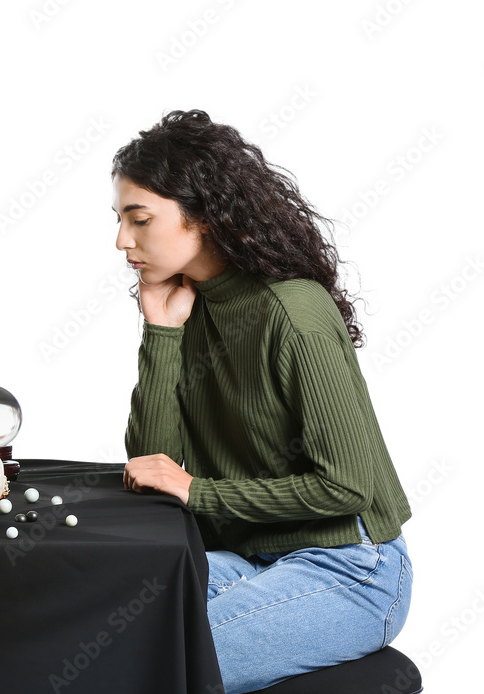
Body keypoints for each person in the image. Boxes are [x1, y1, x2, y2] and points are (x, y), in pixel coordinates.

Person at [113, 110, 412, 693]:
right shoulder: (186, 307)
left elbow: (348, 485)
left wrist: (202, 492)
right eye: (120, 220)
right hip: (251, 560)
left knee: (154, 664)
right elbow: (156, 469)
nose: (123, 241)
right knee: (94, 622)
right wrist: (163, 335)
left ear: (201, 215)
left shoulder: (292, 312)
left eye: (140, 220)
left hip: (352, 567)